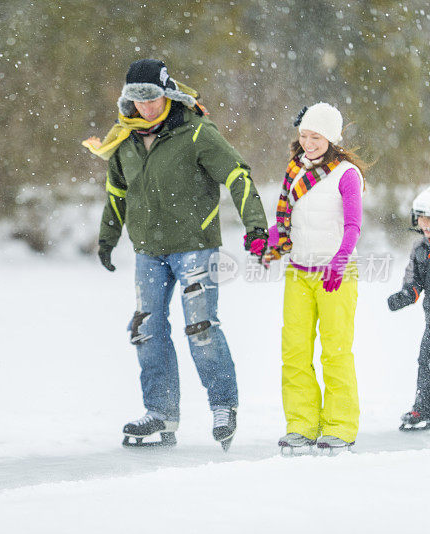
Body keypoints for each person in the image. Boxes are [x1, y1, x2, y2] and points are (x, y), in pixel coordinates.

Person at [83, 59, 269, 450]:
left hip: (195, 248)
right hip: (149, 251)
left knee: (201, 329)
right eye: (136, 97)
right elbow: (118, 195)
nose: (145, 105)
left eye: (152, 96)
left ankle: (223, 406)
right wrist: (107, 239)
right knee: (146, 330)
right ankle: (161, 413)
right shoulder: (124, 141)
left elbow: (238, 174)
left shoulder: (197, 132)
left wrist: (255, 226)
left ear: (167, 93)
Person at [265, 103, 365, 455]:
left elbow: (353, 224)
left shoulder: (346, 174)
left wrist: (340, 260)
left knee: (335, 352)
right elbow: (287, 220)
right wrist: (270, 240)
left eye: (316, 137)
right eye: (304, 136)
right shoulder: (294, 171)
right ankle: (301, 424)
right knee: (294, 352)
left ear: (332, 138)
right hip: (299, 272)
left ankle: (339, 426)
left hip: (337, 274)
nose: (308, 143)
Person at [387, 186, 430, 431]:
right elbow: (414, 281)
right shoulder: (420, 249)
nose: (425, 224)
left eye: (429, 218)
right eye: (421, 218)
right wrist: (405, 296)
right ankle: (423, 408)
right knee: (426, 361)